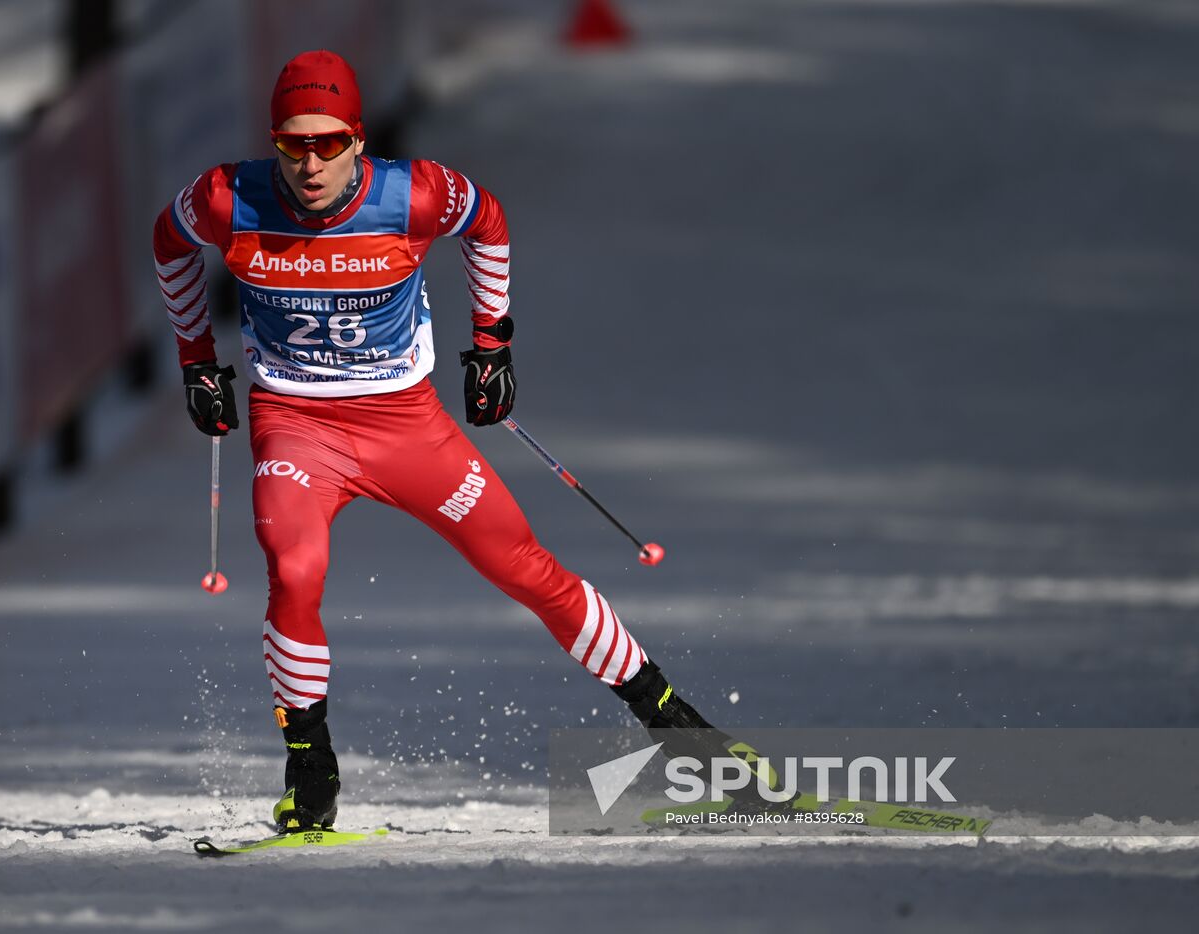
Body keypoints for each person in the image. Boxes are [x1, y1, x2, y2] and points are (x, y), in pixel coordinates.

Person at [153, 50, 756, 833]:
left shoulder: (416, 194)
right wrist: (196, 361)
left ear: (359, 140)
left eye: (329, 143)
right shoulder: (226, 197)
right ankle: (311, 770)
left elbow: (490, 222)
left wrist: (492, 344)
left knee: (526, 569)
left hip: (405, 425)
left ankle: (683, 731)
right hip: (297, 426)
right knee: (293, 569)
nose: (310, 162)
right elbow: (169, 245)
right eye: (293, 143)